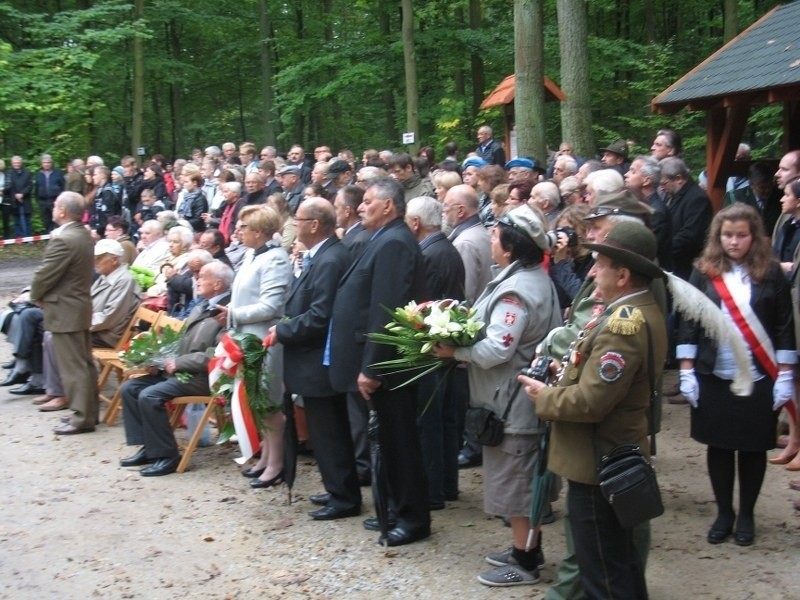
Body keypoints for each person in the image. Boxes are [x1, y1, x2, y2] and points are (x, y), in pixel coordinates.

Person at [522, 220, 668, 599]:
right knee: (619, 565)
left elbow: (592, 401)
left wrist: (545, 397)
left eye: (599, 264)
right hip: (607, 452)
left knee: (603, 572)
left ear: (622, 275)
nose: (591, 270)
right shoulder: (630, 311)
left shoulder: (625, 325)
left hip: (598, 459)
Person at [433, 205, 561, 587]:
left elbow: (496, 350)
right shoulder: (524, 277)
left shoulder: (517, 292)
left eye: (495, 233)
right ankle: (526, 546)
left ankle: (524, 561)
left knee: (517, 484)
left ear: (510, 243)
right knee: (518, 479)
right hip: (514, 400)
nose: (490, 237)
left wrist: (453, 352)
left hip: (512, 406)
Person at [677, 204, 795, 546]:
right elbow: (689, 322)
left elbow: (785, 325)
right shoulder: (703, 271)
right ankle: (724, 512)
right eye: (727, 235)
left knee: (753, 447)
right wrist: (687, 370)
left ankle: (746, 514)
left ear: (753, 237)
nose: (734, 241)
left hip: (759, 375)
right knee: (720, 446)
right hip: (714, 373)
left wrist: (786, 374)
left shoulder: (772, 272)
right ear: (718, 236)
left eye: (741, 235)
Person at [327, 177, 430, 547]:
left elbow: (387, 309)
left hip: (389, 365)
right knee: (387, 438)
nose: (360, 206)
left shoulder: (395, 243)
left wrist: (372, 367)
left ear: (389, 205)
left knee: (399, 440)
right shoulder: (384, 239)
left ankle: (412, 518)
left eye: (368, 201)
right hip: (381, 363)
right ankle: (394, 509)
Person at [270, 198, 360, 520]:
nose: (293, 225)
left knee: (330, 432)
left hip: (320, 361)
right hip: (311, 360)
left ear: (315, 224)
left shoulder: (331, 259)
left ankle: (344, 497)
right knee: (325, 433)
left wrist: (283, 331)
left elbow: (321, 315)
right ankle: (337, 488)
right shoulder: (319, 256)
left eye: (299, 219)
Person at [119, 261, 233, 477]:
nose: (197, 279)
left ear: (217, 284)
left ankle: (168, 456)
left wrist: (177, 363)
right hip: (179, 371)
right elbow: (182, 340)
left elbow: (217, 355)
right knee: (130, 388)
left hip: (201, 377)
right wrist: (158, 360)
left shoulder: (226, 311)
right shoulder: (202, 303)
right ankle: (149, 448)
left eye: (203, 276)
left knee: (149, 395)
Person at [218, 205, 292, 489]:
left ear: (259, 232)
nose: (238, 230)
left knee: (269, 402)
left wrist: (233, 314)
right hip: (244, 338)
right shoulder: (251, 254)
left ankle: (277, 463)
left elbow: (272, 306)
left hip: (264, 340)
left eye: (243, 226)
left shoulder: (275, 258)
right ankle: (265, 456)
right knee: (255, 401)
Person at [405, 195, 466, 510]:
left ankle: (433, 489)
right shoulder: (445, 248)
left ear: (415, 223)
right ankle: (445, 485)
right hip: (441, 347)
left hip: (432, 348)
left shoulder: (430, 254)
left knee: (431, 421)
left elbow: (421, 306)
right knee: (442, 420)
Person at [36, 239, 140, 411]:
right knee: (51, 333)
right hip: (94, 328)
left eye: (99, 258)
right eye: (94, 258)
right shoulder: (105, 276)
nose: (95, 262)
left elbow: (110, 317)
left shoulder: (124, 280)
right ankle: (55, 390)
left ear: (114, 259)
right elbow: (87, 304)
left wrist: (77, 323)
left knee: (56, 338)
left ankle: (64, 394)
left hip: (108, 335)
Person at [29, 192, 99, 435]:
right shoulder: (83, 235)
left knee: (73, 368)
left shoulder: (64, 239)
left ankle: (81, 418)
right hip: (77, 306)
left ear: (62, 211)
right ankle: (88, 414)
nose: (52, 209)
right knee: (83, 364)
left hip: (65, 309)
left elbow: (45, 274)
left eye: (56, 205)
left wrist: (36, 295)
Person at [661, 157, 713, 281]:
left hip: (686, 266)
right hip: (675, 262)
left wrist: (663, 251)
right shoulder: (675, 195)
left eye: (664, 183)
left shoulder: (697, 199)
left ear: (679, 178)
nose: (662, 188)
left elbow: (690, 235)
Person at [34, 154, 66, 233]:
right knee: (46, 221)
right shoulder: (38, 175)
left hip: (55, 200)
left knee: (57, 219)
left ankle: (59, 237)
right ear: (42, 164)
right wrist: (38, 200)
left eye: (48, 162)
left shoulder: (58, 173)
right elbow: (36, 188)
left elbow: (63, 186)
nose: (46, 164)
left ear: (51, 163)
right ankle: (48, 237)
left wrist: (61, 199)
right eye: (44, 162)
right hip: (43, 201)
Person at [4, 156, 33, 237]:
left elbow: (30, 185)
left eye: (18, 162)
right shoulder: (9, 173)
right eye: (14, 163)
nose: (16, 164)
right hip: (14, 199)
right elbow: (9, 186)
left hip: (25, 198)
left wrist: (22, 194)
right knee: (16, 220)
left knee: (27, 219)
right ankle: (18, 237)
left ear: (21, 163)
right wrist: (16, 195)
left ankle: (28, 237)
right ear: (12, 163)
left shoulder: (27, 172)